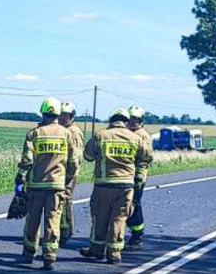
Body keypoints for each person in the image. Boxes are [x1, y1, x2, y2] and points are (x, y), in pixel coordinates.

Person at [15, 97, 76, 271]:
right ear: (58, 113)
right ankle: (49, 256)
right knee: (53, 220)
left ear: (43, 112)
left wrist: (20, 178)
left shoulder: (34, 133)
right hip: (56, 186)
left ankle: (29, 252)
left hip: (36, 185)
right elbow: (74, 161)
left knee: (33, 220)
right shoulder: (67, 134)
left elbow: (27, 160)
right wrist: (67, 180)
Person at [80, 108, 147, 264]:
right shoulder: (135, 138)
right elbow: (147, 156)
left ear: (111, 120)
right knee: (119, 218)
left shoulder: (101, 135)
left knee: (100, 217)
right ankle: (115, 253)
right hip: (125, 186)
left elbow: (88, 156)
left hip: (104, 184)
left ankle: (97, 250)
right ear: (126, 121)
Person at [124, 105, 154, 251]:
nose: (133, 121)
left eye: (136, 119)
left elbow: (145, 159)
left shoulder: (143, 136)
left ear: (141, 120)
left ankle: (137, 234)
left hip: (136, 176)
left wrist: (139, 177)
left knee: (134, 204)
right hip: (125, 175)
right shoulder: (126, 133)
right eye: (131, 118)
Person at [57, 101, 83, 245]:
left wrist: (69, 175)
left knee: (65, 198)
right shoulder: (62, 130)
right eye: (60, 115)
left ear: (72, 117)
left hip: (69, 172)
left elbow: (76, 157)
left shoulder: (73, 132)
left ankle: (65, 231)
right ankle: (64, 229)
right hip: (61, 171)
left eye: (65, 115)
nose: (62, 118)